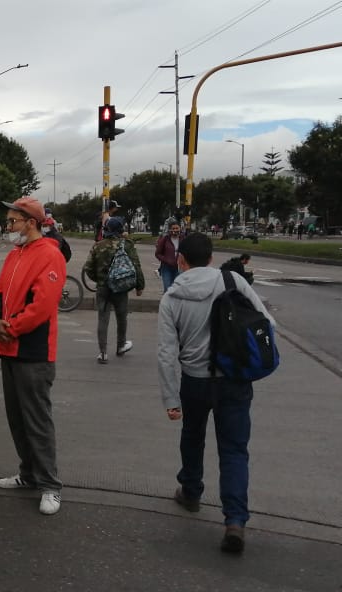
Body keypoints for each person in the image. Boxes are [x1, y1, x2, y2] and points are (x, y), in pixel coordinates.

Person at [157, 232, 275, 554]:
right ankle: (235, 520)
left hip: (194, 382)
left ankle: (191, 491)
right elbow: (267, 322)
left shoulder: (171, 297)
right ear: (210, 258)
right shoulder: (233, 281)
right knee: (235, 450)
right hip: (235, 381)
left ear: (181, 261)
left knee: (192, 435)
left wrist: (170, 399)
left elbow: (167, 353)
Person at [0, 197, 67, 516]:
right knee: (17, 418)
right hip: (8, 346)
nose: (8, 228)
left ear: (31, 222)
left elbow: (43, 304)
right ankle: (28, 474)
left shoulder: (50, 254)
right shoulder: (14, 255)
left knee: (37, 419)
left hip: (32, 350)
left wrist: (13, 328)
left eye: (12, 222)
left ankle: (50, 484)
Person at [84, 216, 145, 363]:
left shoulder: (98, 246)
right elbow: (136, 266)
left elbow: (88, 267)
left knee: (103, 318)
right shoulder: (127, 244)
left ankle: (103, 353)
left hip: (103, 288)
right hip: (121, 288)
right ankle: (121, 345)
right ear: (121, 230)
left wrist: (99, 280)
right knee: (121, 317)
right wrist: (139, 286)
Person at [155, 219, 184, 291]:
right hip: (166, 268)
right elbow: (157, 253)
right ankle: (167, 302)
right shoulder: (165, 239)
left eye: (177, 228)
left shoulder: (183, 239)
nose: (175, 230)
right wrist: (166, 260)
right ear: (170, 229)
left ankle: (175, 302)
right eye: (173, 228)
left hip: (179, 268)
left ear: (180, 229)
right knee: (167, 288)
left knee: (176, 289)